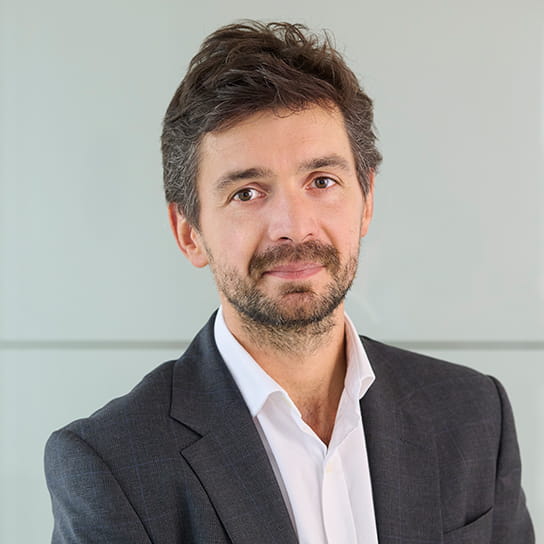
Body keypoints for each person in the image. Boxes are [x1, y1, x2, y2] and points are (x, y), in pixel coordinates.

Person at [44, 20, 534, 543]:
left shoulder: (473, 415)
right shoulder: (110, 466)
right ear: (189, 233)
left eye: (322, 181)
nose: (294, 227)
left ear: (366, 201)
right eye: (247, 193)